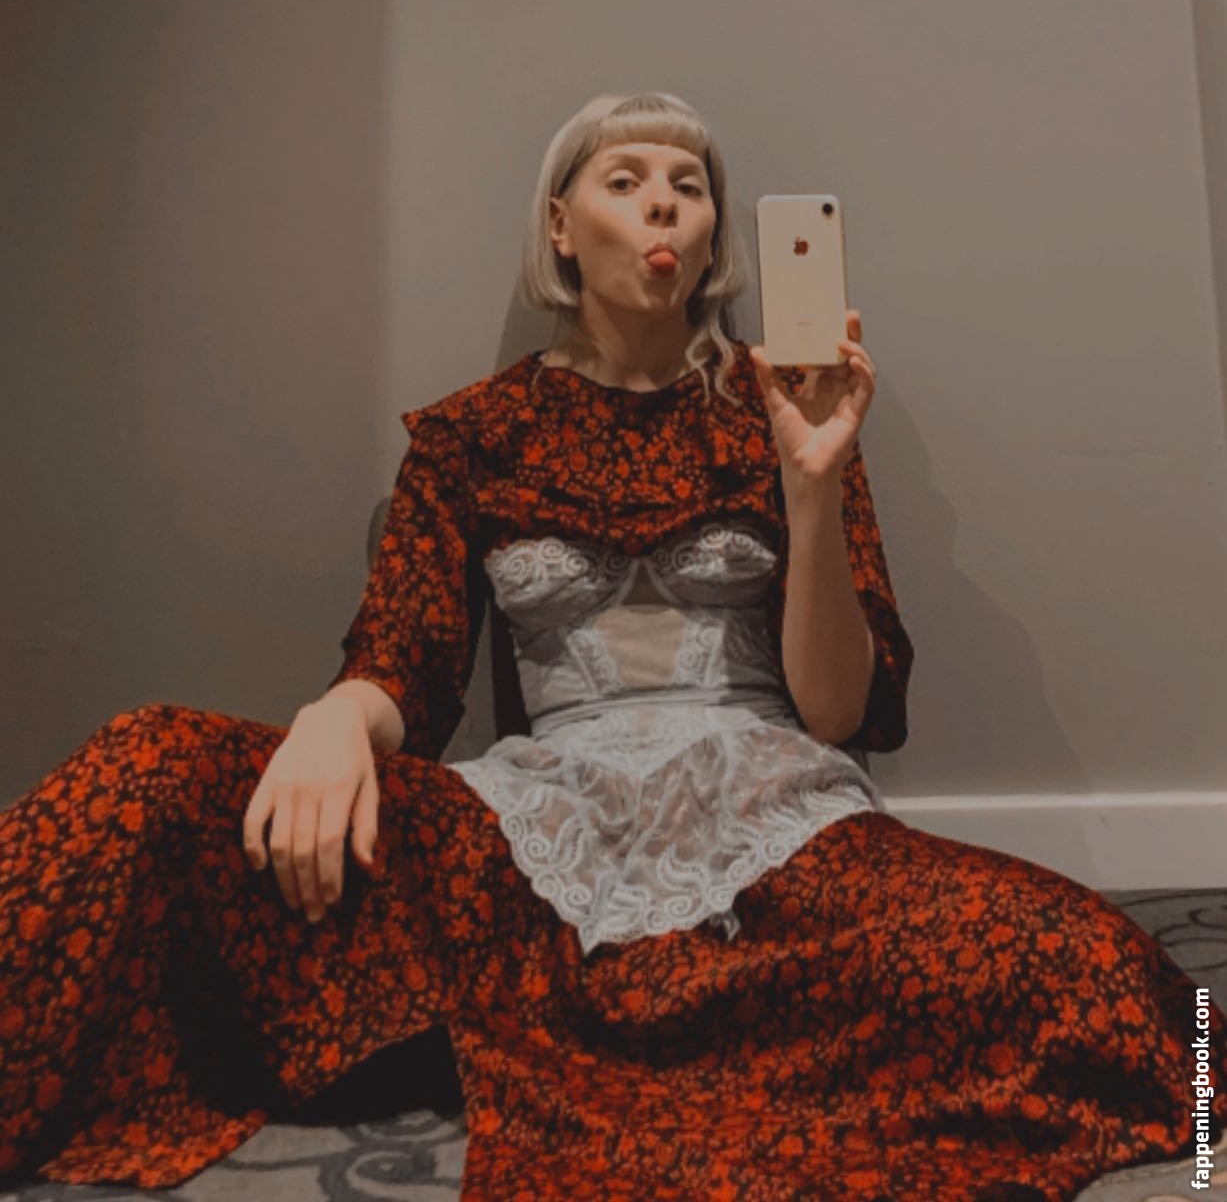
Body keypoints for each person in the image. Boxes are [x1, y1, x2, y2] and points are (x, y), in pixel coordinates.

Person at [0, 90, 1223, 1201]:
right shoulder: (473, 435)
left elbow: (837, 713)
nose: (663, 205)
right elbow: (404, 657)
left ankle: (603, 1028)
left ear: (715, 234)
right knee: (153, 765)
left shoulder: (793, 406)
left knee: (1091, 969)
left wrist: (811, 482)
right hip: (536, 842)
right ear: (561, 227)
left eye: (690, 185)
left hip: (771, 832)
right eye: (626, 178)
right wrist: (333, 720)